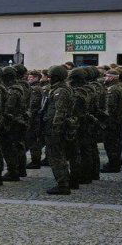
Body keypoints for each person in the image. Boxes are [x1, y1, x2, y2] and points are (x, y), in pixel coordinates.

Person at [42, 65, 73, 195]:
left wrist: (56, 129)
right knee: (57, 156)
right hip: (53, 127)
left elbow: (60, 112)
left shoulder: (60, 91)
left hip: (56, 129)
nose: (48, 79)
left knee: (57, 157)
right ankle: (63, 182)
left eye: (49, 77)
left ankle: (63, 184)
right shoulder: (58, 89)